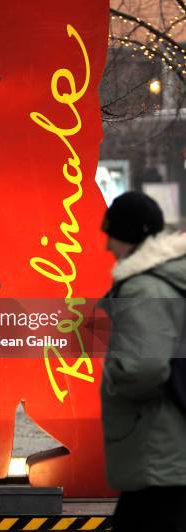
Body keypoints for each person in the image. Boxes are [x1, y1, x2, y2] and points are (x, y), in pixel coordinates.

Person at [99, 191, 186, 532]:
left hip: (158, 444)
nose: (108, 246)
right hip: (170, 445)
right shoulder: (170, 278)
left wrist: (114, 380)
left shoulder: (143, 288)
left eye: (112, 236)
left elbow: (144, 367)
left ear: (131, 237)